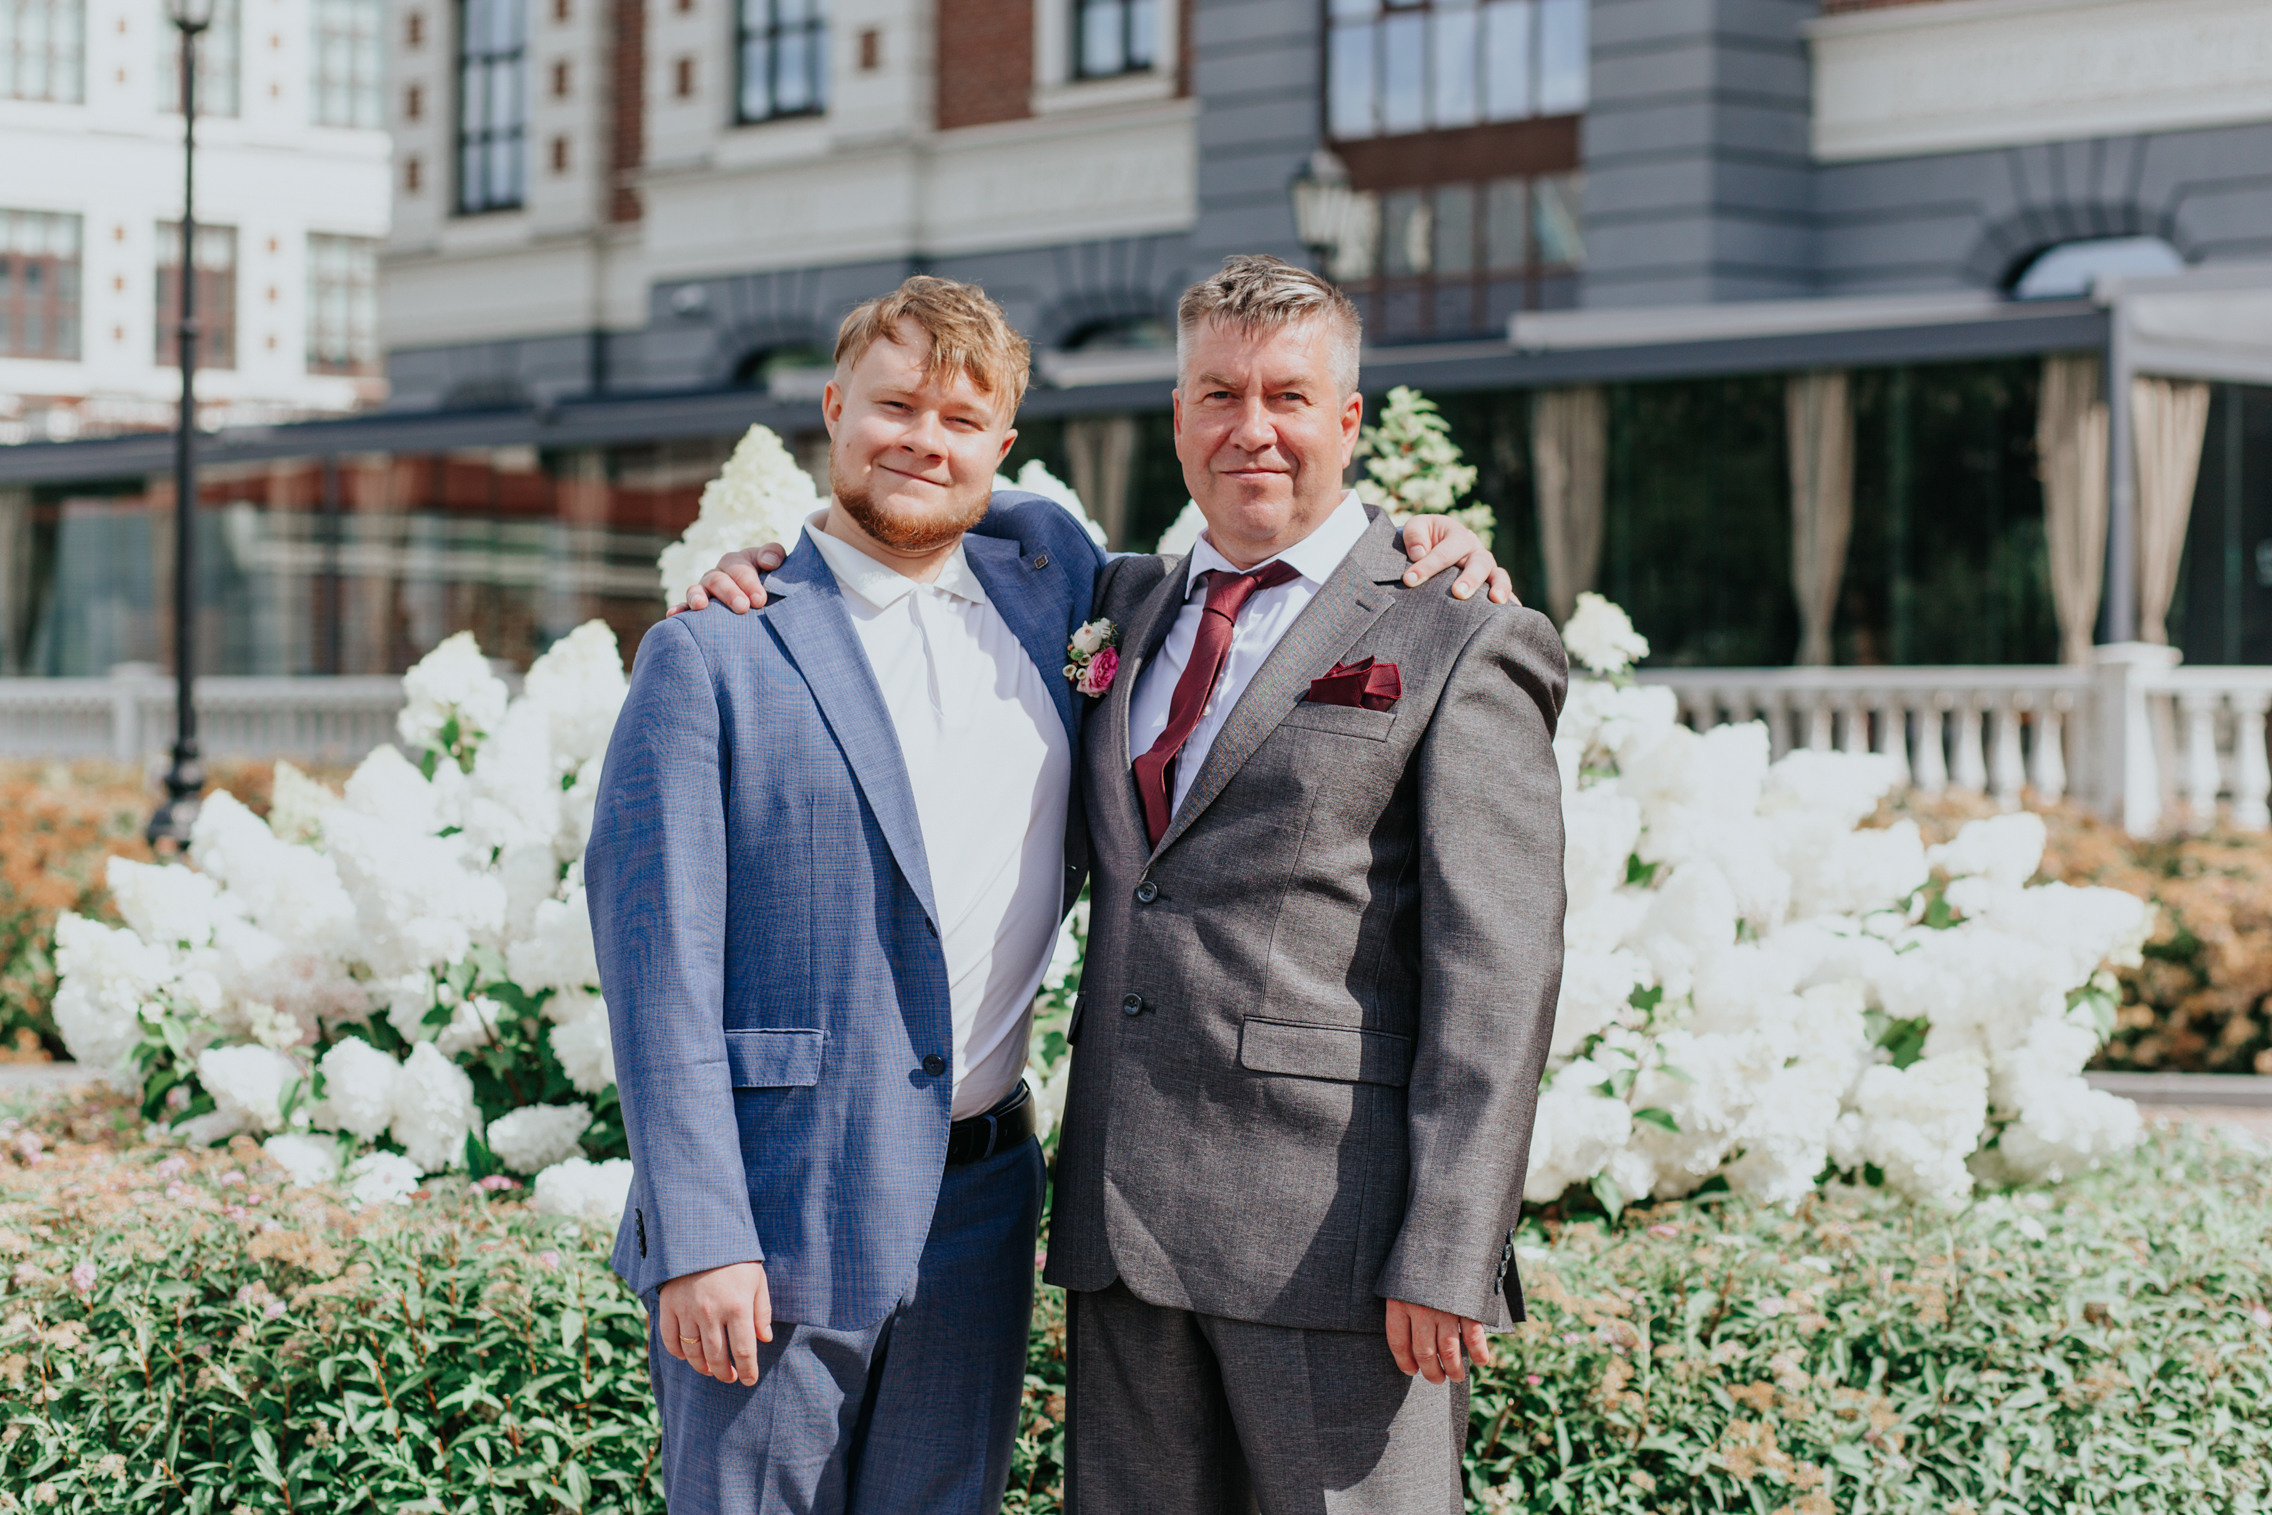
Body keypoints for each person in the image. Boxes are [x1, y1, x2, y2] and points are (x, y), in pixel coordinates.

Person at [592, 272, 1510, 1515]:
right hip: (780, 1203)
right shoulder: (714, 650)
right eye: (892, 408)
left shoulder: (1056, 585)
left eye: (961, 420)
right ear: (831, 411)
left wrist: (1425, 534)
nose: (923, 439)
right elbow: (655, 972)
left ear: (1002, 451)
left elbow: (1489, 961)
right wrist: (700, 1230)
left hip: (984, 1203)